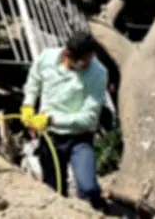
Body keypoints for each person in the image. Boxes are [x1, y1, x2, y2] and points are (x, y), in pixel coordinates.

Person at [21, 30, 109, 211]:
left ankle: (100, 208)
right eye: (83, 61)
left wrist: (51, 120)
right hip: (50, 138)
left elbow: (89, 118)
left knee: (87, 187)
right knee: (54, 190)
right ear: (68, 54)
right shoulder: (47, 58)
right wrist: (28, 105)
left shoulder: (98, 73)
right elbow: (34, 81)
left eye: (90, 59)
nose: (87, 64)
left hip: (79, 138)